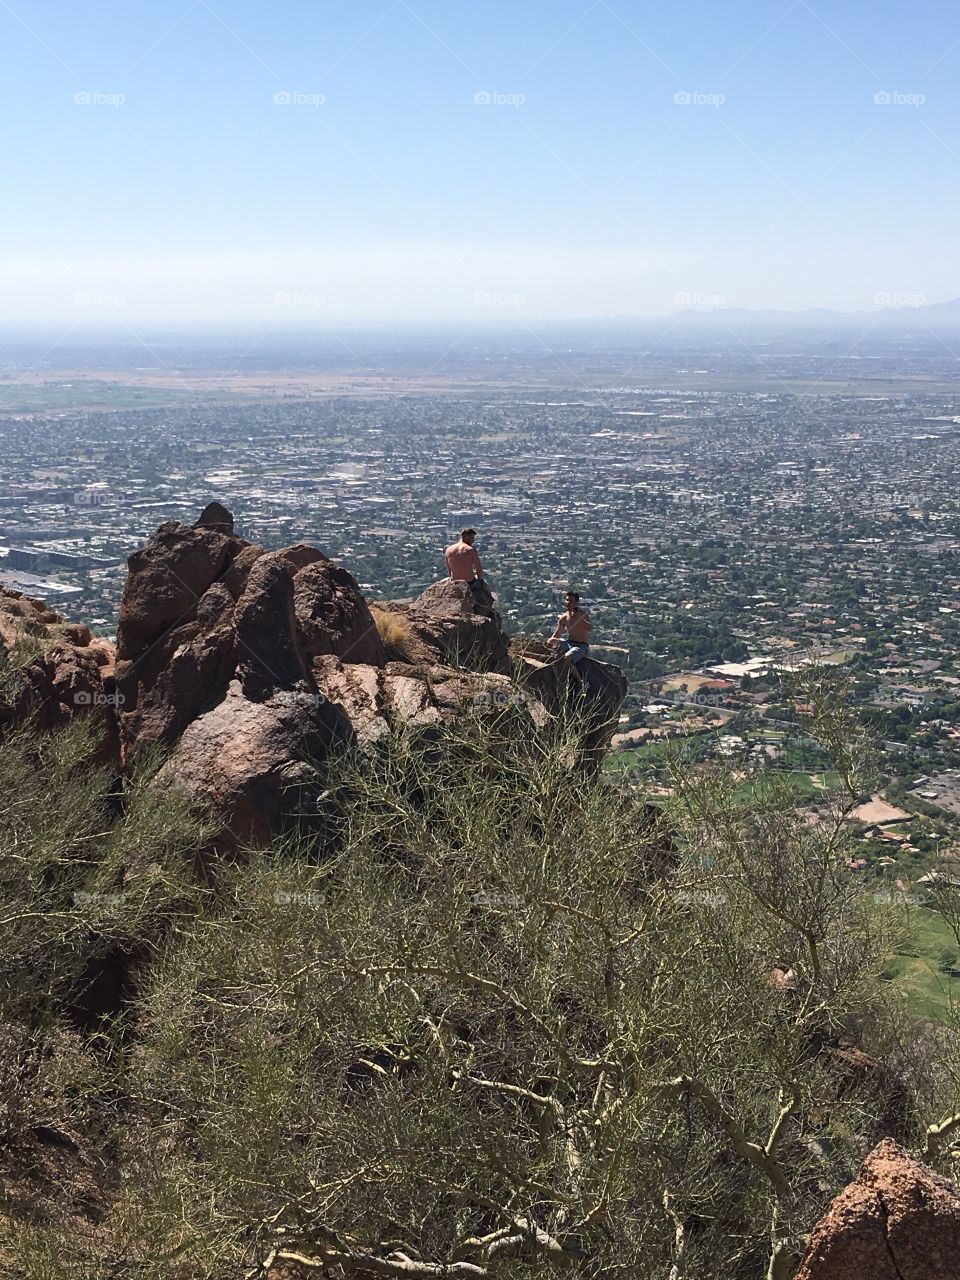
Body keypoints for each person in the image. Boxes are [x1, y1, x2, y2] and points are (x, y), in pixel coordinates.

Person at [547, 591, 592, 685]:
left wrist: (579, 619)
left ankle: (581, 682)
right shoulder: (564, 618)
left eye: (571, 600)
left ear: (576, 602)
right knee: (551, 642)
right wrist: (550, 642)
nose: (568, 602)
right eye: (567, 600)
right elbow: (557, 634)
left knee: (567, 658)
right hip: (569, 643)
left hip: (581, 646)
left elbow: (589, 628)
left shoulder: (582, 615)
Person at [445, 528, 493, 607]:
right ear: (466, 537)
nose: (473, 541)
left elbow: (449, 570)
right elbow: (479, 569)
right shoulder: (471, 550)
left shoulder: (448, 550)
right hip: (470, 583)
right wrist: (480, 579)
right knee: (486, 588)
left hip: (454, 582)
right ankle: (489, 606)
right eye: (472, 538)